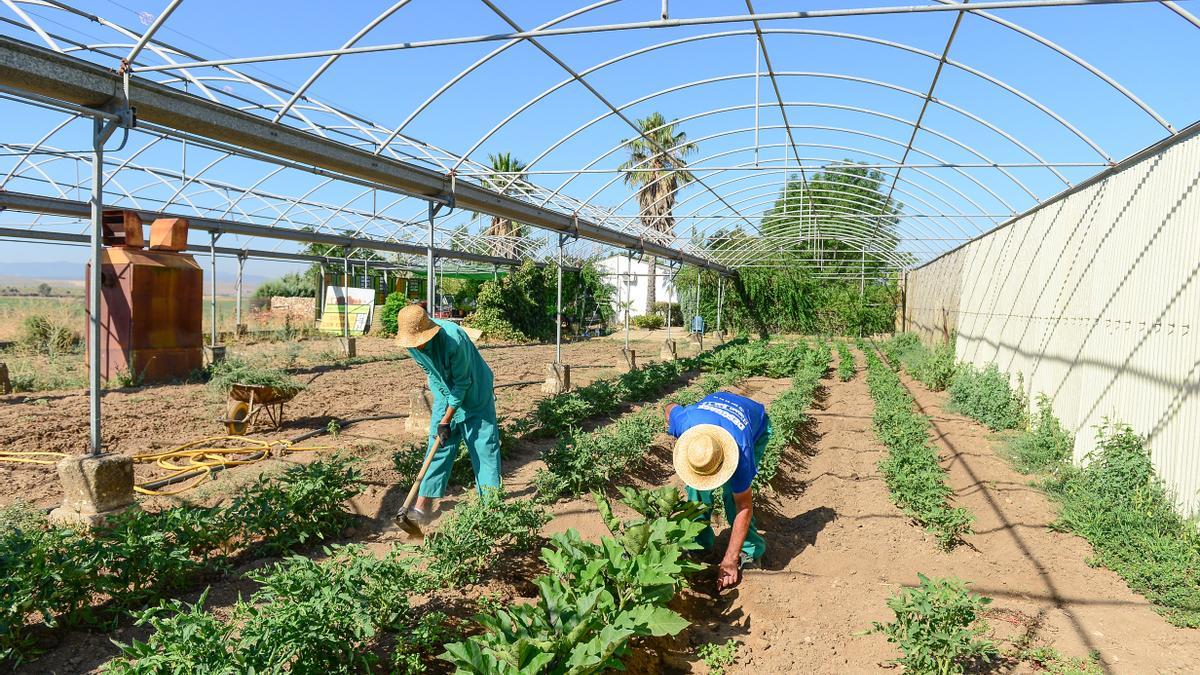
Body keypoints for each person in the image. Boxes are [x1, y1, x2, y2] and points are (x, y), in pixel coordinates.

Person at [393, 303, 500, 524]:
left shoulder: (454, 339)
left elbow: (462, 383)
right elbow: (431, 373)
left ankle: (491, 509)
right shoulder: (411, 346)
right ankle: (420, 509)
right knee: (439, 445)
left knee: (483, 448)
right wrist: (443, 415)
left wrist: (446, 419)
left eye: (420, 342)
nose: (417, 347)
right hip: (444, 393)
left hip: (475, 394)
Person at [664, 389, 771, 591]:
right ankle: (700, 545)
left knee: (733, 497)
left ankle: (749, 550)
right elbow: (669, 408)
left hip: (753, 423)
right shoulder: (683, 423)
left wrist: (730, 559)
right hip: (712, 414)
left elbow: (744, 506)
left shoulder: (742, 452)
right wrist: (667, 420)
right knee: (695, 491)